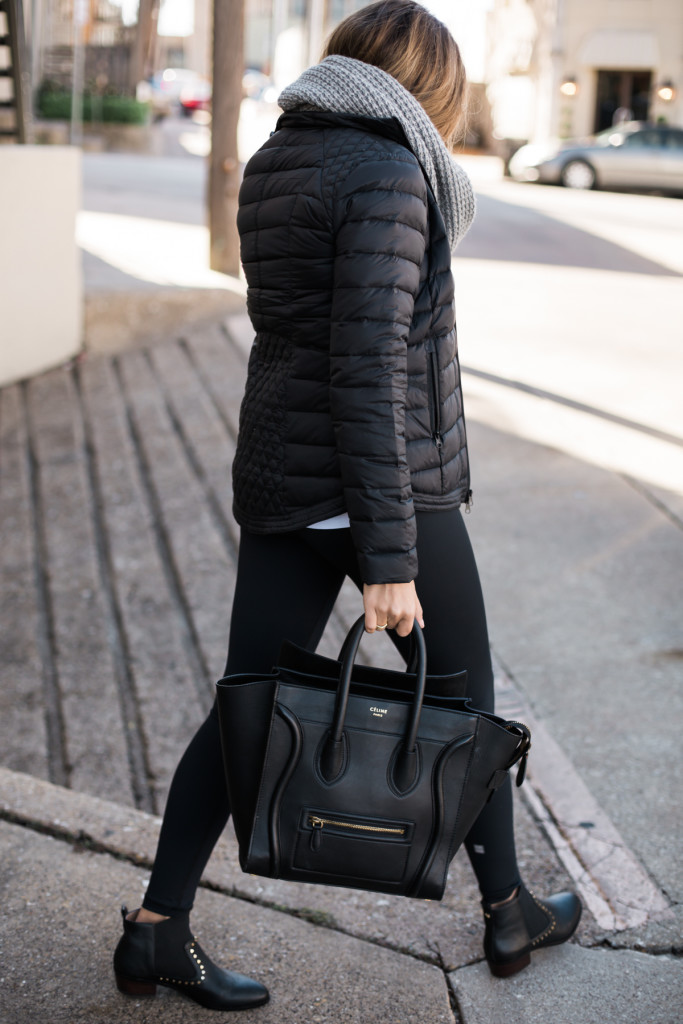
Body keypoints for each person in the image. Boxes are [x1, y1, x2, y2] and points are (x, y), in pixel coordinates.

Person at [113, 0, 581, 1009]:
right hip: (383, 486)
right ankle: (507, 911)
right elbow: (369, 370)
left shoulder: (282, 153)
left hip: (286, 479)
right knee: (461, 705)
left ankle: (156, 927)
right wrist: (388, 554)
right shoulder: (388, 172)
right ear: (428, 88)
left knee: (244, 704)